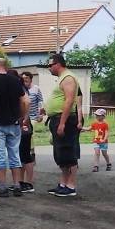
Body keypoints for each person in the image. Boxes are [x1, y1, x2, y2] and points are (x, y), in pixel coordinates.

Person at [0, 58, 28, 198]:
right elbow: (25, 101)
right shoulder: (16, 80)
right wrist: (21, 117)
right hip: (14, 123)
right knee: (14, 154)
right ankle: (17, 186)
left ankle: (2, 187)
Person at [44, 52, 82, 197]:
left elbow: (69, 100)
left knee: (68, 152)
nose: (49, 68)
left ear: (58, 64)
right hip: (57, 118)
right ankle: (63, 184)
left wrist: (62, 123)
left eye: (50, 65)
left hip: (64, 119)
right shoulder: (62, 78)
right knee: (60, 154)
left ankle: (71, 186)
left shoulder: (68, 78)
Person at [19, 71, 45, 191]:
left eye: (26, 79)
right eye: (23, 79)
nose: (24, 80)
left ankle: (31, 152)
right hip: (25, 119)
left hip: (32, 117)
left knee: (27, 142)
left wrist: (41, 114)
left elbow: (40, 101)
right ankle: (20, 180)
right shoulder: (21, 89)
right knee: (23, 149)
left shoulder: (35, 89)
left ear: (31, 79)